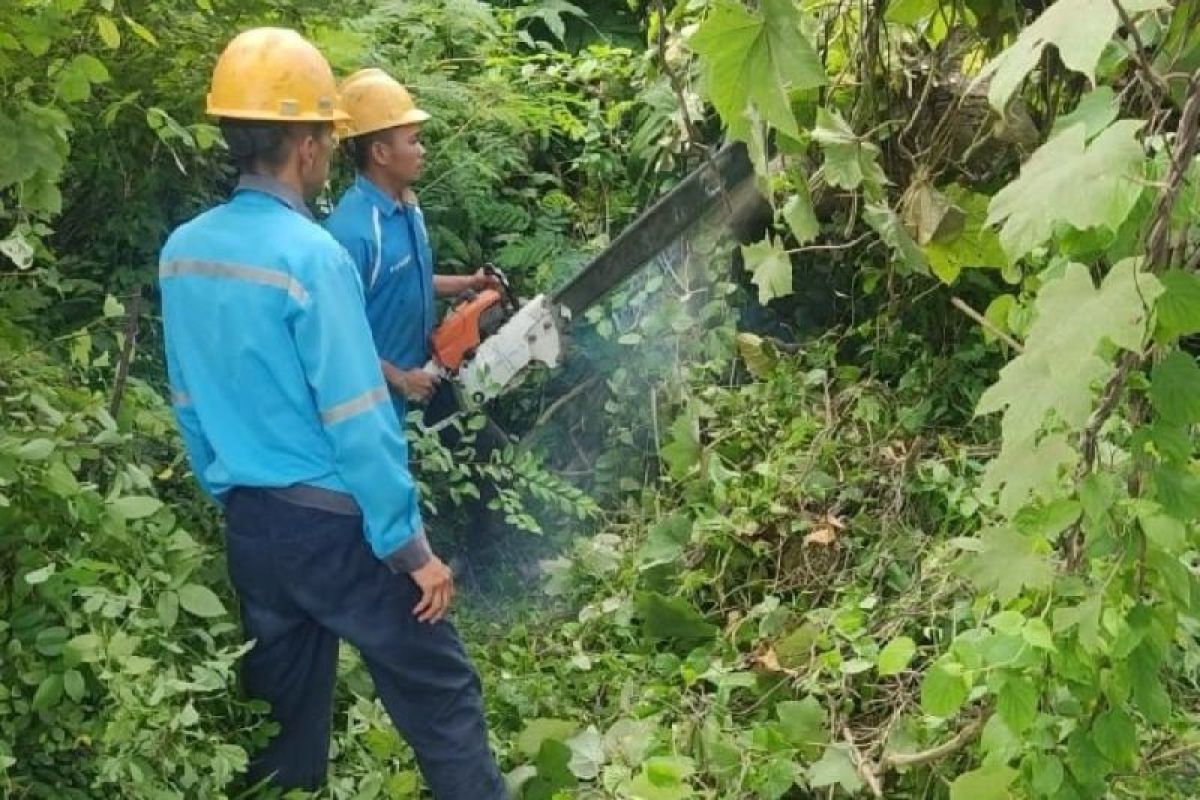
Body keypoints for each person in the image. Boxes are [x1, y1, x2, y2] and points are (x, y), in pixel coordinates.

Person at [157, 28, 506, 798]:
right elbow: (357, 416)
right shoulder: (314, 256)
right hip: (340, 527)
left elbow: (186, 398)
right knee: (441, 698)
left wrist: (235, 492)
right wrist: (411, 550)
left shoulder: (183, 250)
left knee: (282, 732)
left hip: (252, 521)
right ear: (310, 146)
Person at [324, 68, 511, 561]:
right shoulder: (352, 231)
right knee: (376, 494)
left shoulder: (407, 207)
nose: (422, 149)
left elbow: (408, 281)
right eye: (413, 139)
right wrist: (399, 380)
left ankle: (484, 561)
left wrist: (468, 284)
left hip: (424, 371)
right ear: (380, 152)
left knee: (486, 448)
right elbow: (337, 331)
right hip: (374, 394)